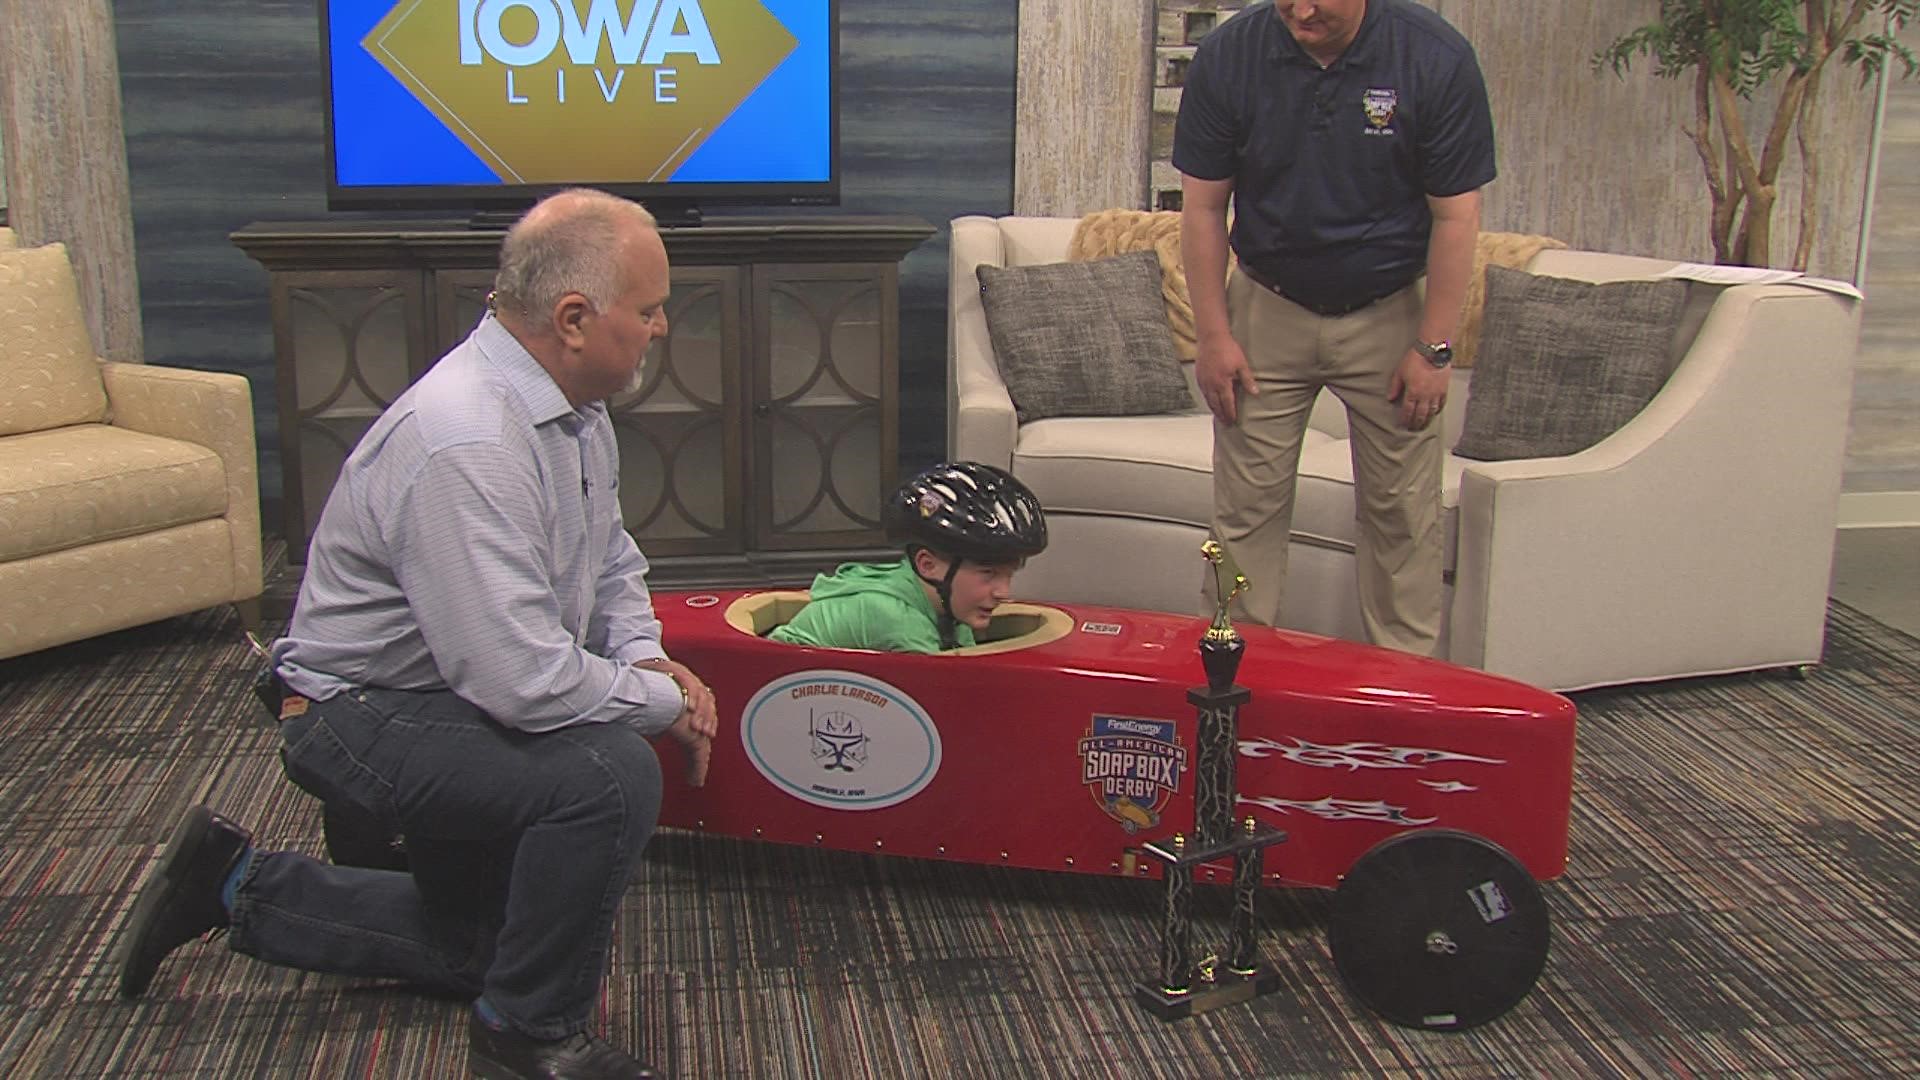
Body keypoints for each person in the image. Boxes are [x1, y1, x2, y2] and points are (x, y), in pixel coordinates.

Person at [115, 188, 716, 1080]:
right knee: (607, 773)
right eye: (651, 308)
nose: (662, 327)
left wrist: (639, 653)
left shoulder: (573, 411)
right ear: (576, 318)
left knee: (477, 948)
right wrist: (662, 701)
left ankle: (234, 885)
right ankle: (527, 1035)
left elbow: (609, 558)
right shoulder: (466, 439)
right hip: (357, 715)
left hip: (445, 696)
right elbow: (519, 678)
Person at [1173, 0, 1495, 655]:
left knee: (1402, 513)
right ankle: (1231, 683)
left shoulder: (1434, 57)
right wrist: (1213, 336)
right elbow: (1204, 209)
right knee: (1245, 513)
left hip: (1389, 312)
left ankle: (1403, 693)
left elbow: (1456, 218)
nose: (1304, 9)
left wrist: (1434, 347)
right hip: (1266, 306)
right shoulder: (1230, 56)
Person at [769, 461, 1047, 652]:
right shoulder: (898, 621)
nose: (1004, 592)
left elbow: (964, 649)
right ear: (928, 565)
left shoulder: (943, 600)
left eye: (1010, 574)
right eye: (989, 573)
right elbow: (948, 691)